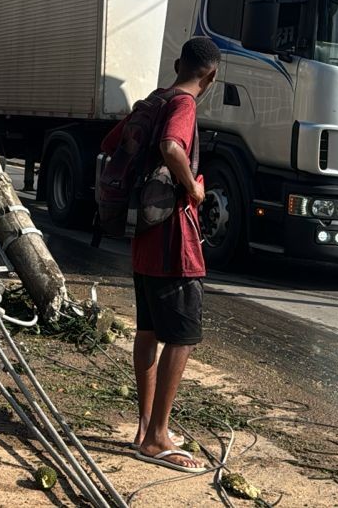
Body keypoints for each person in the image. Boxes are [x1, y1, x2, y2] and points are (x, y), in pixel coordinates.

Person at [100, 36, 220, 473]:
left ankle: (146, 427)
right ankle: (156, 438)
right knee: (182, 336)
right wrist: (194, 188)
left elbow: (111, 143)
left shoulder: (154, 99)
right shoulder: (184, 107)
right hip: (173, 237)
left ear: (177, 64)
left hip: (144, 236)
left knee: (149, 330)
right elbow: (172, 147)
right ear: (211, 75)